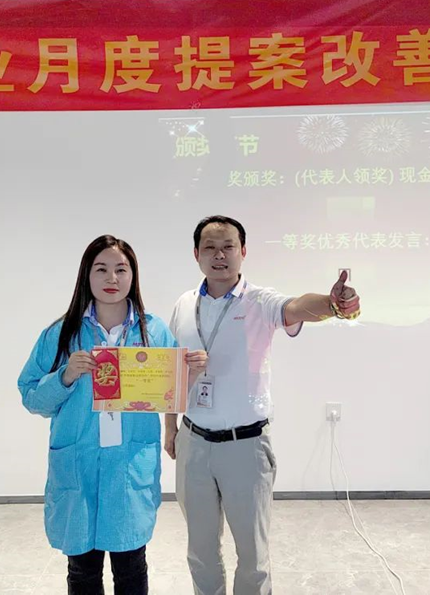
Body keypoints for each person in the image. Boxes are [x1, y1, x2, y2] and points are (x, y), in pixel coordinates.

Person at [164, 215, 360, 595]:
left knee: (253, 556)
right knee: (200, 552)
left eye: (228, 247)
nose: (219, 255)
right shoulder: (184, 305)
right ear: (196, 254)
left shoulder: (259, 301)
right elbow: (169, 370)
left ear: (243, 251)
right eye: (210, 247)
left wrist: (332, 303)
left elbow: (298, 306)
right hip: (194, 443)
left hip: (246, 447)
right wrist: (170, 428)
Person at [18, 235, 201, 595]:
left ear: (133, 276)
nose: (112, 278)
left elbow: (170, 394)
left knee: (131, 566)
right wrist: (65, 376)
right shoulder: (61, 333)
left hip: (128, 467)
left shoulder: (153, 331)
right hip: (78, 466)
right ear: (86, 275)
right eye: (101, 269)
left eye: (121, 269)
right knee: (82, 569)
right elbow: (32, 397)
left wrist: (190, 373)